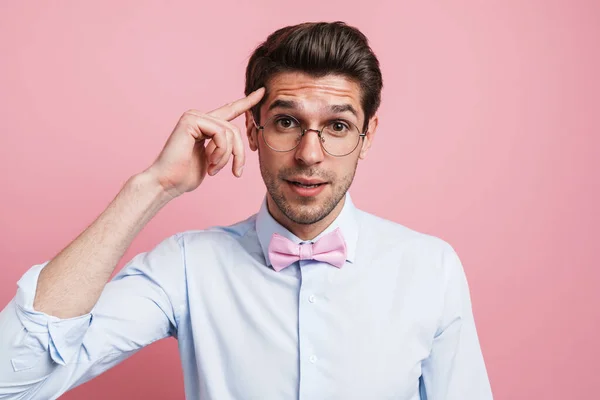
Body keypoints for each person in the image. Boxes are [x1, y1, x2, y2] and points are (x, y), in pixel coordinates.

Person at [0, 21, 493, 399]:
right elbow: (16, 380)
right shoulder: (187, 266)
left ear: (368, 138)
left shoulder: (432, 267)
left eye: (338, 127)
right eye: (286, 122)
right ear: (253, 131)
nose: (309, 154)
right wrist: (152, 186)